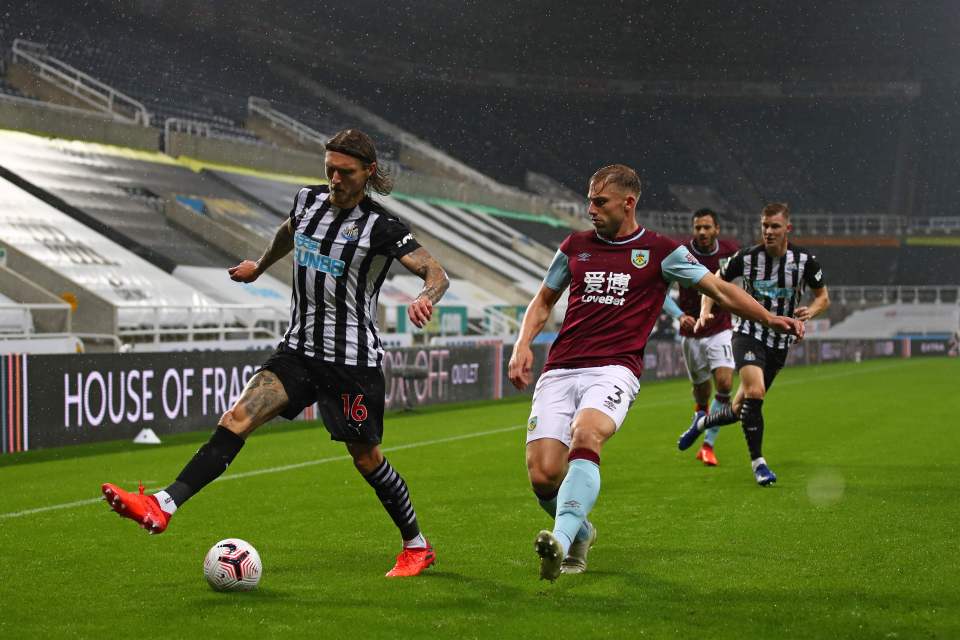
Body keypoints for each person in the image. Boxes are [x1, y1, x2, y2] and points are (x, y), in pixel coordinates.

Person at [101, 129, 449, 578]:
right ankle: (162, 503)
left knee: (366, 459)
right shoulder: (307, 201)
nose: (336, 179)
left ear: (368, 172)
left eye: (346, 172)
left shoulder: (381, 227)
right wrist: (260, 266)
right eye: (330, 169)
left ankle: (416, 545)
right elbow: (289, 231)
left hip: (352, 362)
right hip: (299, 350)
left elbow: (435, 271)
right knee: (236, 419)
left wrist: (427, 296)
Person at [508, 166, 803, 581]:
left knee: (587, 434)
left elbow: (720, 290)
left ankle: (558, 538)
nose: (589, 209)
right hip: (560, 369)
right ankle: (581, 532)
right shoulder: (575, 246)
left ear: (628, 202)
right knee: (543, 476)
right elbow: (543, 300)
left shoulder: (661, 251)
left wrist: (770, 319)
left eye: (599, 201)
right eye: (589, 200)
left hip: (614, 369)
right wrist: (523, 344)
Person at [677, 202, 830, 486]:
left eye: (775, 226)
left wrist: (812, 310)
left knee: (739, 411)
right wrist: (705, 310)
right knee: (755, 391)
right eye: (765, 226)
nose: (769, 232)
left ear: (788, 229)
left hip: (779, 342)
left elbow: (823, 297)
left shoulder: (805, 261)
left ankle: (701, 424)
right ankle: (759, 464)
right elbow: (712, 282)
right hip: (748, 333)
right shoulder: (746, 258)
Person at [660, 209, 739, 466]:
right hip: (691, 332)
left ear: (717, 229)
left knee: (725, 384)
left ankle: (708, 444)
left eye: (707, 227)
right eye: (698, 228)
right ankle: (700, 418)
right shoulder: (680, 253)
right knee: (702, 393)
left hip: (720, 327)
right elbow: (661, 291)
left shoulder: (730, 251)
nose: (702, 232)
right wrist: (679, 314)